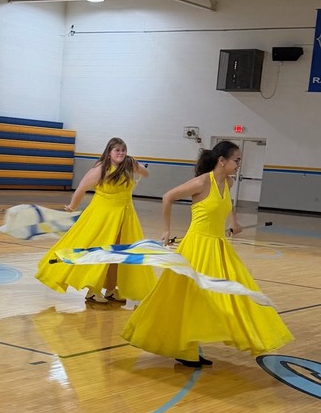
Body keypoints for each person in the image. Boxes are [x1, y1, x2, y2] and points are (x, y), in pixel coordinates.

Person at [121, 141, 293, 367]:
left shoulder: (229, 182)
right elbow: (168, 197)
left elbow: (226, 204)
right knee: (186, 298)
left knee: (232, 293)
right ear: (222, 161)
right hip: (196, 247)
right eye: (236, 160)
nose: (239, 164)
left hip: (218, 247)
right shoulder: (201, 182)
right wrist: (166, 230)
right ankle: (184, 347)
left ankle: (191, 344)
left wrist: (233, 221)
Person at [36, 137, 157, 304]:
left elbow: (146, 173)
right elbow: (81, 188)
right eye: (117, 150)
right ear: (109, 153)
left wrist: (136, 166)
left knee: (121, 253)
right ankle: (93, 289)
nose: (121, 153)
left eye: (123, 150)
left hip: (125, 216)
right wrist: (72, 206)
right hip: (103, 216)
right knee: (101, 251)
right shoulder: (100, 170)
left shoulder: (127, 165)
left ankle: (111, 289)